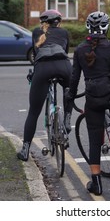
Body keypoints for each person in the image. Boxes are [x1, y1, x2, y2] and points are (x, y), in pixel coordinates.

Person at [65, 11, 110, 196]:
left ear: (88, 27)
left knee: (95, 140)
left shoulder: (80, 49)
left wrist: (71, 95)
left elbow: (75, 77)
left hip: (94, 96)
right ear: (106, 27)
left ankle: (96, 184)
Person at [17, 9, 73, 161]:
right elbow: (65, 52)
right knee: (69, 93)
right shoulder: (64, 32)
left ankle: (25, 150)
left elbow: (36, 56)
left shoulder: (36, 32)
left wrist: (33, 74)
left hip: (43, 69)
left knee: (34, 112)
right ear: (58, 22)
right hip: (64, 66)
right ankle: (67, 119)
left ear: (43, 22)